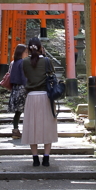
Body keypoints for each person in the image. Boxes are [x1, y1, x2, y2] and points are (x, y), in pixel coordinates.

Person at [20, 38, 58, 166]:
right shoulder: (47, 61)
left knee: (32, 127)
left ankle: (35, 158)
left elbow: (26, 76)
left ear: (29, 48)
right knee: (48, 126)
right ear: (41, 47)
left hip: (31, 97)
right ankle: (46, 158)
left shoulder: (24, 62)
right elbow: (52, 75)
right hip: (46, 96)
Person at [5, 43, 27, 139]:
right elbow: (24, 77)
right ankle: (28, 130)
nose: (27, 54)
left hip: (15, 89)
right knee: (28, 110)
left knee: (18, 112)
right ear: (21, 53)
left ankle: (15, 130)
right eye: (26, 52)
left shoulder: (13, 62)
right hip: (23, 88)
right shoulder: (23, 62)